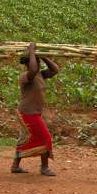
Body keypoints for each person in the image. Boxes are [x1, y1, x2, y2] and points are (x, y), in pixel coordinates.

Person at [11, 43, 59, 176]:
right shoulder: (26, 76)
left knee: (26, 138)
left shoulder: (40, 75)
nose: (36, 63)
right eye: (35, 61)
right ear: (28, 63)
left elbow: (55, 70)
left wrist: (43, 56)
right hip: (27, 113)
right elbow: (32, 70)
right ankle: (44, 167)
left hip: (34, 113)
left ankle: (15, 165)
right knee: (46, 138)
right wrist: (32, 51)